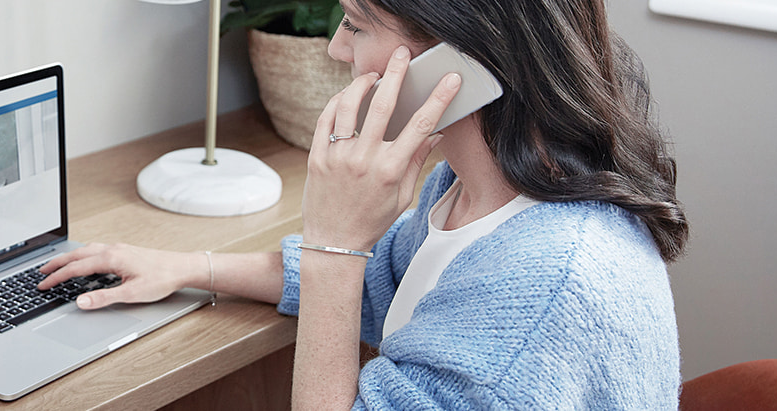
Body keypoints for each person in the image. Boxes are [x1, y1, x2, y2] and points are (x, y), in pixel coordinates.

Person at [36, 0, 687, 408]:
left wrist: (332, 241)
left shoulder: (540, 282)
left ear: (460, 57)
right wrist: (189, 267)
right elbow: (382, 284)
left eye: (356, 24)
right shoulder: (475, 186)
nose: (335, 48)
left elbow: (353, 274)